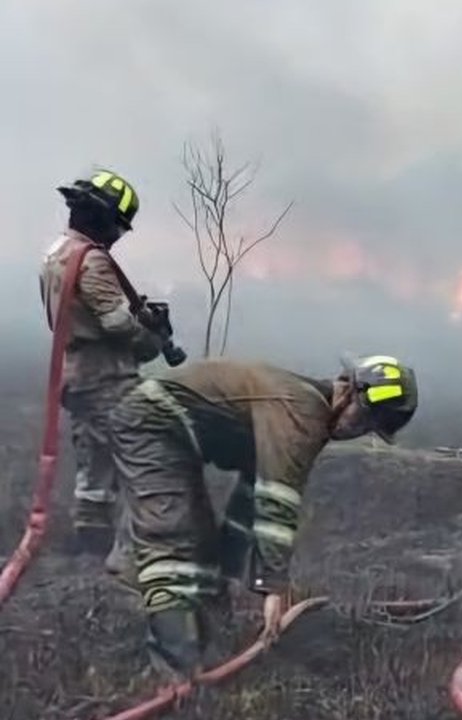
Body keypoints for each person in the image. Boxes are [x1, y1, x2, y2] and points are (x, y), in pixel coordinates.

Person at [107, 354, 419, 681]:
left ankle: (196, 639)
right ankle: (176, 677)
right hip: (152, 423)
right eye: (361, 418)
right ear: (347, 389)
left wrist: (226, 571)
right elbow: (277, 500)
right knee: (174, 546)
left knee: (197, 546)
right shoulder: (302, 411)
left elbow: (250, 497)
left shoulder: (305, 411)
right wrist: (272, 587)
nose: (356, 430)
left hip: (172, 432)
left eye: (369, 428)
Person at [39, 169, 166, 561]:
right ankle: (138, 551)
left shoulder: (56, 252)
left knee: (94, 469)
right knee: (145, 457)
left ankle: (90, 551)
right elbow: (115, 324)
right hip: (106, 376)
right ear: (103, 218)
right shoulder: (92, 261)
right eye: (118, 226)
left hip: (76, 375)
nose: (118, 235)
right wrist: (151, 340)